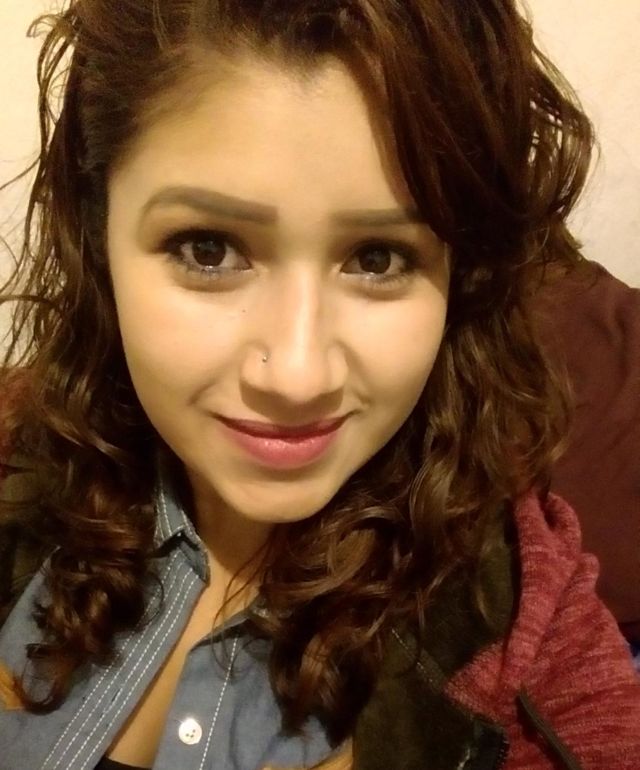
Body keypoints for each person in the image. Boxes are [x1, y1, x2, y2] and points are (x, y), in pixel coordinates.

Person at [0, 1, 638, 769]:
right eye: (208, 249)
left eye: (378, 258)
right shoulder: (16, 458)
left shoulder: (521, 611)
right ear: (98, 232)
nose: (299, 377)